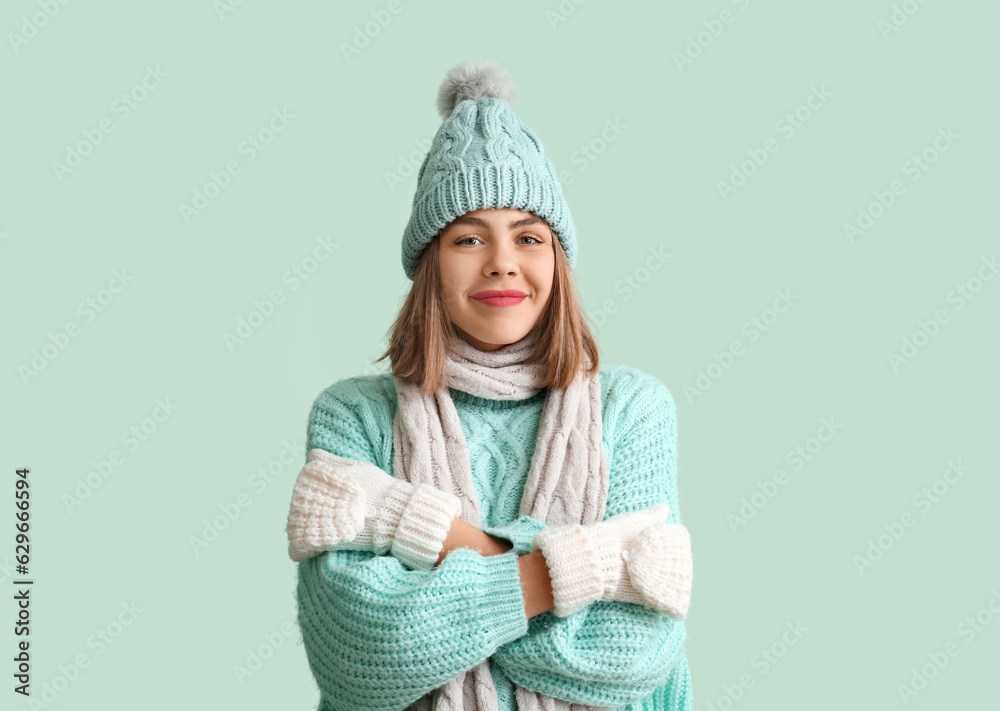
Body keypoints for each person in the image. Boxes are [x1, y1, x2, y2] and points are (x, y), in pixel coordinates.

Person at [286, 58, 694, 711]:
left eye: (529, 236)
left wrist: (427, 537)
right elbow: (356, 654)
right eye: (469, 237)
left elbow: (632, 654)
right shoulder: (353, 415)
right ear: (430, 264)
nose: (503, 261)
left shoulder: (634, 409)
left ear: (556, 261)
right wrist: (582, 567)